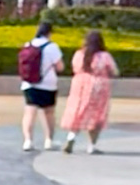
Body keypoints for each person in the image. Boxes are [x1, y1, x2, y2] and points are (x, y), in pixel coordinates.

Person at [61, 29, 119, 153]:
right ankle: (91, 146)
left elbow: (74, 67)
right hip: (98, 86)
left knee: (78, 111)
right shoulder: (104, 56)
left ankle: (71, 137)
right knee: (96, 115)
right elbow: (115, 71)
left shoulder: (79, 54)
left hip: (80, 84)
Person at [20, 19, 65, 150]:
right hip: (47, 85)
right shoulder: (52, 47)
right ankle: (48, 141)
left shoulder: (28, 45)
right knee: (48, 113)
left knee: (29, 112)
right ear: (49, 33)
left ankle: (28, 141)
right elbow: (60, 67)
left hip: (29, 84)